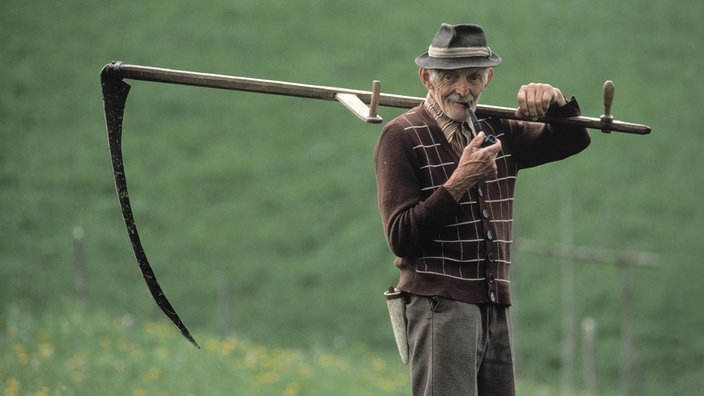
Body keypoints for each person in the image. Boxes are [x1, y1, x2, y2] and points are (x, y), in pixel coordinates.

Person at [374, 23, 591, 396]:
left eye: (474, 77)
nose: (463, 90)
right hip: (439, 306)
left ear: (488, 79)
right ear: (426, 77)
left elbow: (572, 140)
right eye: (450, 78)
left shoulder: (498, 129)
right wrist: (459, 182)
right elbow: (401, 236)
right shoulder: (402, 135)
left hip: (493, 306)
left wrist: (556, 102)